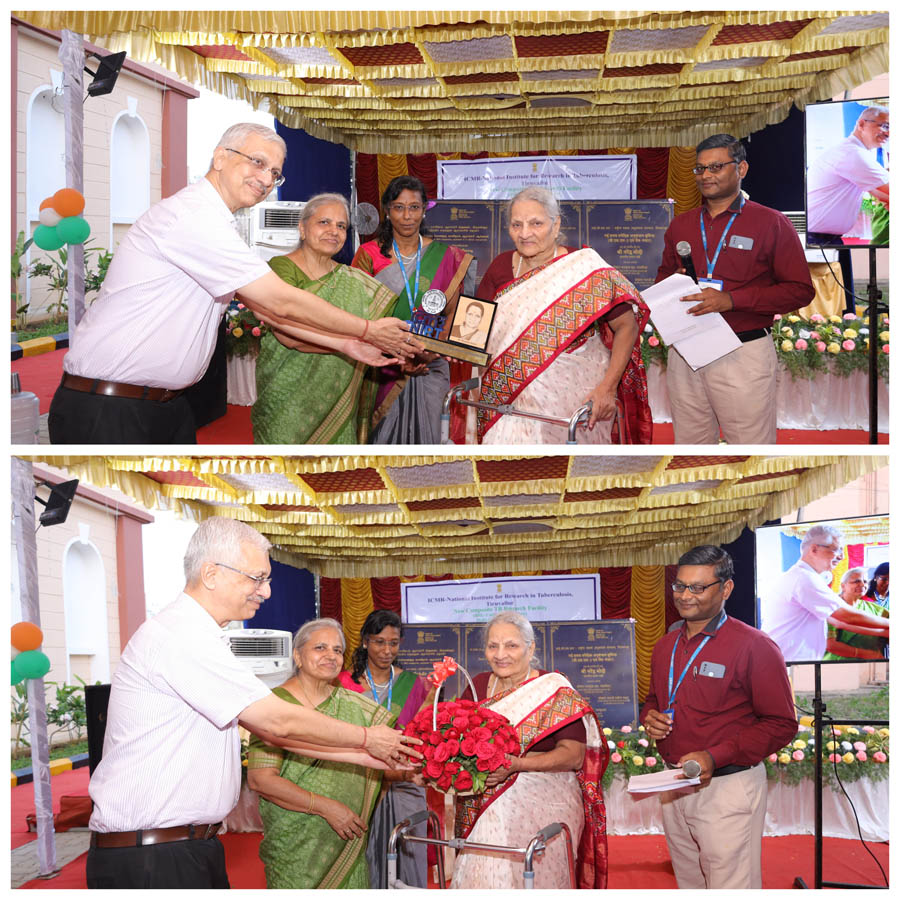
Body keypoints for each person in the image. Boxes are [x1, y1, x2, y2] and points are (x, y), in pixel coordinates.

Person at [85, 517, 420, 890]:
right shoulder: (182, 637)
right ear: (211, 573)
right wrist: (365, 738)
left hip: (183, 847)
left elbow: (279, 737)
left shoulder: (200, 637)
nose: (267, 592)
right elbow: (276, 723)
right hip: (154, 856)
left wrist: (365, 757)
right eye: (257, 578)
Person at [49, 123, 419, 444]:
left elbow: (270, 314)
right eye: (257, 162)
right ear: (220, 157)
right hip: (111, 408)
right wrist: (368, 330)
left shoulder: (217, 223)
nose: (266, 179)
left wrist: (346, 344)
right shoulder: (192, 217)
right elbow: (280, 303)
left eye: (275, 172)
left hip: (164, 407)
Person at [641, 545, 797, 889]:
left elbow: (781, 724)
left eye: (698, 587)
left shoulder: (755, 646)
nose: (685, 596)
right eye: (679, 586)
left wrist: (715, 756)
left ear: (725, 588)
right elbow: (653, 699)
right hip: (674, 784)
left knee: (731, 887)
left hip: (726, 787)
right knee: (690, 883)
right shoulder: (666, 644)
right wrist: (649, 716)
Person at [655, 133, 815, 444]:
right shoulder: (681, 225)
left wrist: (732, 300)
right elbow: (662, 278)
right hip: (686, 351)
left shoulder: (771, 223)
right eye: (700, 169)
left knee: (749, 447)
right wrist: (672, 284)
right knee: (690, 448)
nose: (706, 176)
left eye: (716, 167)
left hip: (742, 351)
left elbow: (800, 290)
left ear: (741, 169)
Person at [467, 186, 651, 445]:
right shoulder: (500, 266)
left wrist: (608, 388)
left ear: (556, 225)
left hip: (572, 406)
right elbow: (474, 329)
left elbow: (627, 327)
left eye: (536, 223)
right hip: (509, 405)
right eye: (516, 225)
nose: (525, 233)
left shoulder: (584, 268)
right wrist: (443, 346)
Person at [452, 611, 609, 889]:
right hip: (483, 799)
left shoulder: (552, 689)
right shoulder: (477, 685)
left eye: (511, 645)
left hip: (547, 798)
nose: (501, 654)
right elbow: (457, 741)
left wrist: (517, 766)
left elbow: (574, 754)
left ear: (530, 647)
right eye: (493, 645)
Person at [247, 619, 391, 888]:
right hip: (296, 843)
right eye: (320, 647)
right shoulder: (274, 707)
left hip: (348, 838)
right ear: (298, 655)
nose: (331, 656)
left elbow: (383, 756)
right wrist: (326, 807)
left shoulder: (355, 706)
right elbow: (261, 779)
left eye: (337, 650)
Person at [251, 194, 397, 443]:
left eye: (341, 226)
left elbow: (382, 327)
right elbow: (289, 334)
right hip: (289, 395)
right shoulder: (281, 268)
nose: (334, 231)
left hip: (336, 396)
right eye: (324, 223)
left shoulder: (352, 279)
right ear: (302, 228)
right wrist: (352, 343)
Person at [352, 175, 473, 443]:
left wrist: (430, 353)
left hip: (430, 365)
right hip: (382, 365)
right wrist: (396, 355)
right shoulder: (369, 255)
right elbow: (355, 315)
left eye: (414, 207)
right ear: (387, 210)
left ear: (424, 209)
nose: (407, 216)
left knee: (428, 441)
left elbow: (455, 314)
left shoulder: (445, 256)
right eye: (398, 207)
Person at [338, 610, 432, 888]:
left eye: (394, 643)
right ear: (365, 642)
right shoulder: (344, 684)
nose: (387, 650)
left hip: (405, 784)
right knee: (363, 856)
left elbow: (421, 736)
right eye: (379, 642)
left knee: (410, 851)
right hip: (360, 781)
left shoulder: (414, 684)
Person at [760, 524, 889, 661]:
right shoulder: (804, 578)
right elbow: (845, 616)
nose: (842, 557)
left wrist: (883, 632)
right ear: (814, 549)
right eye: (837, 550)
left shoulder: (808, 577)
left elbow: (839, 623)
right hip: (784, 662)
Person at [806, 105, 890, 245]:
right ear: (862, 124)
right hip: (817, 240)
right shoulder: (853, 153)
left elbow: (875, 189)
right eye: (885, 126)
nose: (889, 133)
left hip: (826, 239)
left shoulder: (857, 151)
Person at [823, 568, 888, 661]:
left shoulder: (878, 610)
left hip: (871, 665)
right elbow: (830, 645)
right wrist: (866, 654)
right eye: (856, 581)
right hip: (836, 664)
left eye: (865, 581)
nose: (862, 584)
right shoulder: (832, 607)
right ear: (843, 586)